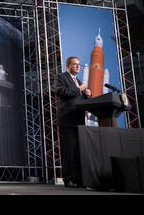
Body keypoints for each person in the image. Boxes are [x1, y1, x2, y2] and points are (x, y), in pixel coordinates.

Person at [56, 56, 92, 188]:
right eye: (75, 64)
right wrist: (79, 90)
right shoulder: (61, 77)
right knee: (69, 152)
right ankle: (69, 179)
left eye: (79, 65)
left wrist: (87, 95)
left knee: (78, 152)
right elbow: (60, 91)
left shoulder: (78, 81)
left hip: (79, 120)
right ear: (68, 66)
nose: (78, 66)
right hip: (67, 119)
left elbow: (80, 99)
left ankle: (79, 179)